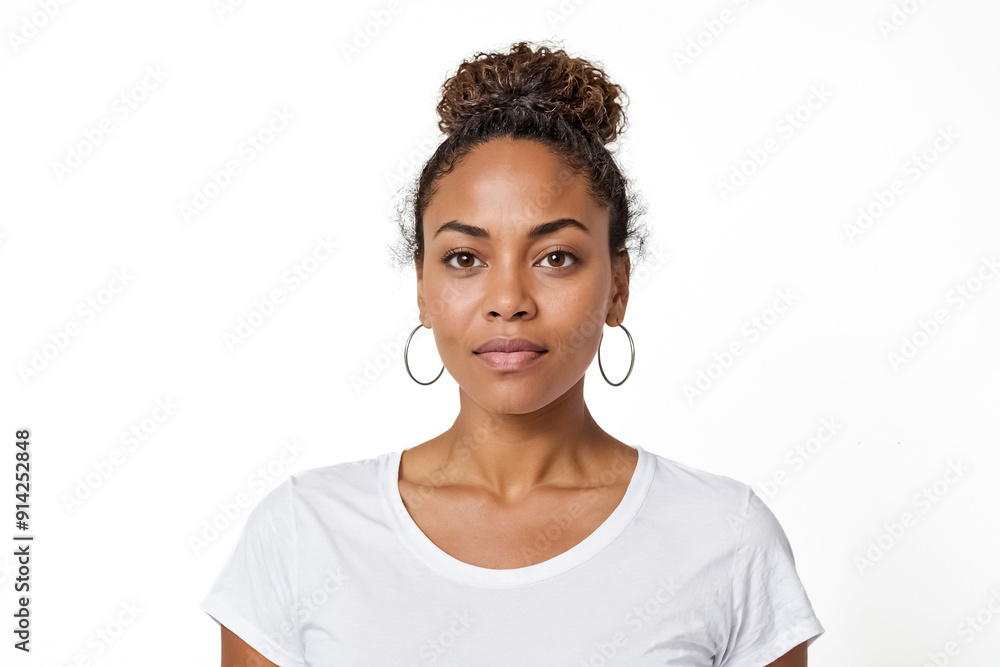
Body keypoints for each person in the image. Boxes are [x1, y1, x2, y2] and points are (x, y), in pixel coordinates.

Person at [201, 40, 824, 666]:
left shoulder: (725, 537)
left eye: (556, 258)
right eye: (465, 258)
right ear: (423, 288)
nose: (507, 300)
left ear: (618, 286)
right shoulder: (304, 534)